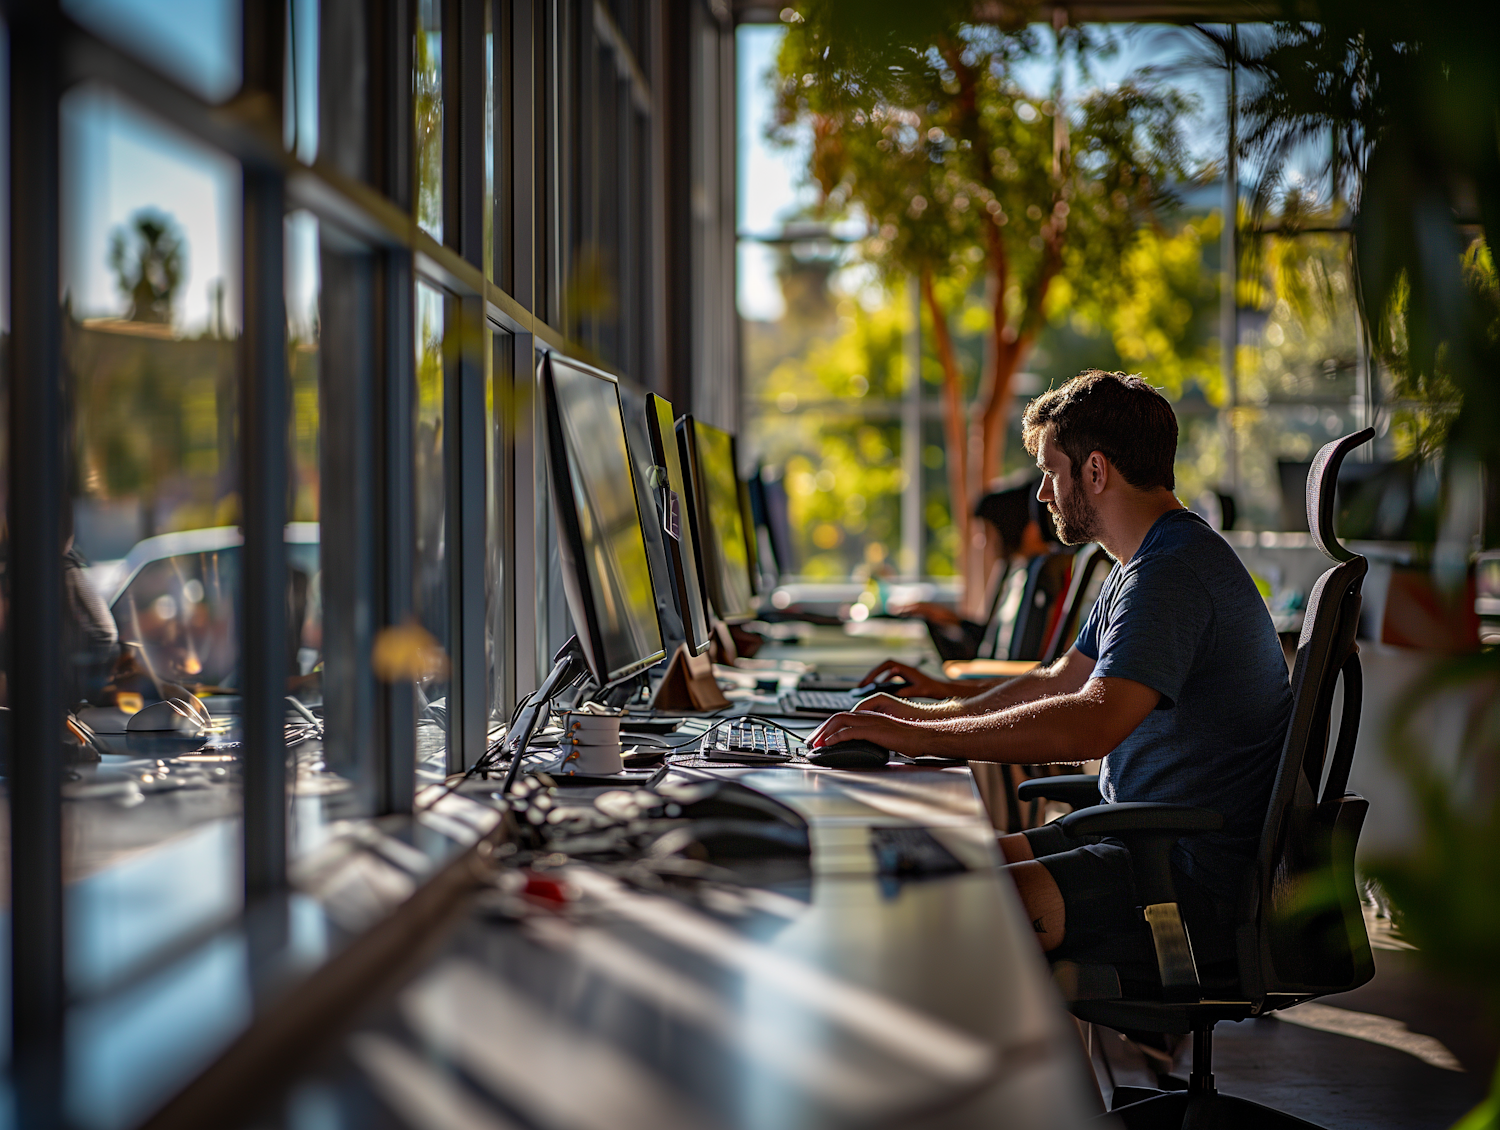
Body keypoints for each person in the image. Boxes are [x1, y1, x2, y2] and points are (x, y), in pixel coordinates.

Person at [811, 370, 1293, 967]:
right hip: (1135, 839)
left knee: (924, 905)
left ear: (1094, 471)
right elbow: (1060, 679)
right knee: (915, 868)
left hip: (1181, 878)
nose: (1041, 493)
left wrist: (920, 736)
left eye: (1049, 471)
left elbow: (1093, 721)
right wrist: (927, 712)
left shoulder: (1170, 575)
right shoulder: (1146, 560)